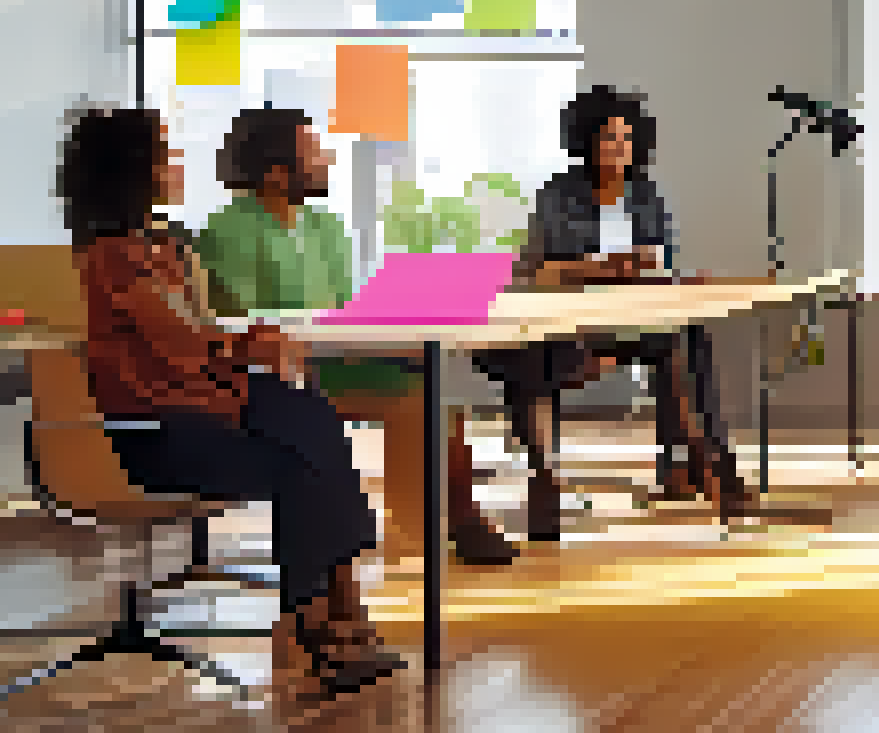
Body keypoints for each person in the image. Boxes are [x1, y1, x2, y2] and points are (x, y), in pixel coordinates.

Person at [61, 106, 405, 700]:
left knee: (311, 423)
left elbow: (194, 339)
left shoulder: (160, 248)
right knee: (308, 439)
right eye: (164, 154)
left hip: (200, 414)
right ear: (130, 170)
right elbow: (181, 345)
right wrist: (250, 341)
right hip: (154, 435)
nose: (176, 164)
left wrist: (246, 342)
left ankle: (319, 613)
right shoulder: (114, 256)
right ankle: (322, 613)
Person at [194, 106, 516, 566]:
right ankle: (456, 522)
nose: (327, 159)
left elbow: (344, 311)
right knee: (424, 391)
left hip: (330, 361)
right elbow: (247, 321)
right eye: (314, 151)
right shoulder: (229, 230)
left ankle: (430, 531)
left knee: (432, 389)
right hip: (273, 373)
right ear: (276, 173)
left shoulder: (326, 226)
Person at [472, 85, 751, 543]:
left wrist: (672, 274)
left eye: (624, 140)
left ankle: (698, 461)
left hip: (634, 317)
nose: (616, 149)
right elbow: (539, 270)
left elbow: (664, 258)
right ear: (586, 141)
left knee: (688, 334)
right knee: (528, 361)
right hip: (568, 322)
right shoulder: (558, 194)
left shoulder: (646, 195)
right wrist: (603, 267)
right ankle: (545, 478)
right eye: (606, 139)